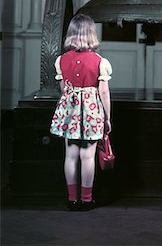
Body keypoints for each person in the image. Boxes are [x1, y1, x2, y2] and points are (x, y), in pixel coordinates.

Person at [50, 14, 112, 211]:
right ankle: (86, 199)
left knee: (70, 156)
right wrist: (107, 117)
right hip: (92, 111)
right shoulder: (100, 62)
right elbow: (103, 91)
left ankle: (71, 198)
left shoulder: (61, 60)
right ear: (91, 34)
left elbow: (63, 88)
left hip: (70, 112)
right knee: (88, 157)